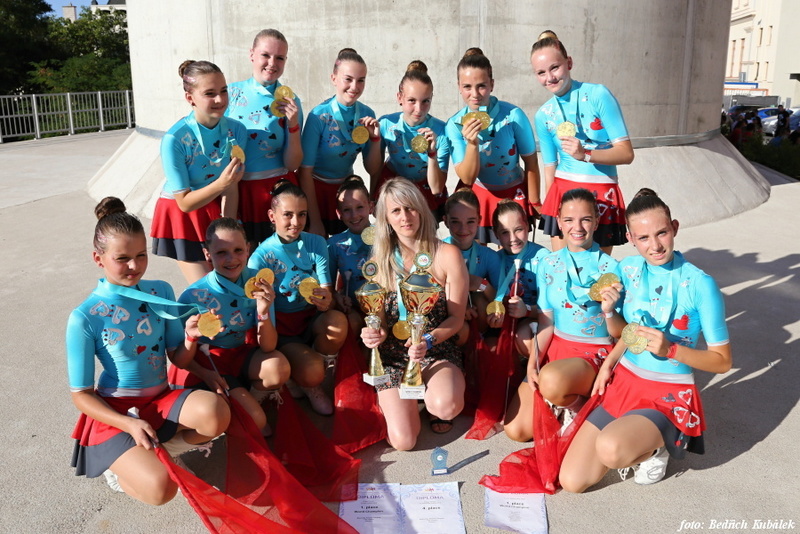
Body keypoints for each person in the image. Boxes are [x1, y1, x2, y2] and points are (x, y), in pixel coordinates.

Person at [559, 188, 732, 491]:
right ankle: (634, 437)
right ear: (630, 238)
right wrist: (609, 320)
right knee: (572, 481)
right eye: (643, 238)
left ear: (674, 227)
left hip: (668, 393)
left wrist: (672, 349)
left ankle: (657, 448)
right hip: (625, 383)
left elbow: (722, 362)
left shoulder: (701, 284)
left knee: (611, 449)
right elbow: (622, 332)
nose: (655, 246)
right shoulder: (627, 269)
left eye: (661, 233)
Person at [67, 197, 230, 503]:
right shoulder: (85, 317)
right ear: (98, 258)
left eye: (141, 255)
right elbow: (81, 395)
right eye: (122, 258)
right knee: (161, 490)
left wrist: (191, 339)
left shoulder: (160, 291)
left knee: (217, 413)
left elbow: (177, 358)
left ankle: (159, 452)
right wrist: (128, 423)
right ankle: (119, 471)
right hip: (115, 413)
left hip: (159, 399)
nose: (134, 266)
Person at [504, 189, 620, 443]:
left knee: (553, 381)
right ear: (558, 221)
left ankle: (577, 407)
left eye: (585, 219)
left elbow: (620, 332)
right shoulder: (549, 263)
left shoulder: (612, 269)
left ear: (597, 221)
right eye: (569, 220)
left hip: (592, 354)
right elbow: (546, 322)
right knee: (517, 431)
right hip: (556, 349)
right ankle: (562, 397)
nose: (577, 227)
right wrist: (533, 364)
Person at [360, 178, 468, 447]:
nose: (405, 217)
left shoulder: (447, 254)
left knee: (446, 407)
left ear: (421, 210)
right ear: (386, 218)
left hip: (436, 349)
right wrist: (373, 333)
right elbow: (379, 322)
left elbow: (456, 318)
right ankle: (404, 401)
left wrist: (428, 341)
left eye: (410, 208)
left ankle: (432, 395)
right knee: (404, 442)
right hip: (393, 357)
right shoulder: (378, 262)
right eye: (396, 211)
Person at [169, 217, 291, 436]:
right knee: (258, 423)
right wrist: (203, 367)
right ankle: (234, 407)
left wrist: (263, 310)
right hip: (209, 365)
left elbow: (268, 347)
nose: (231, 258)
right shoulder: (192, 296)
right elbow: (179, 359)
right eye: (221, 252)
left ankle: (248, 400)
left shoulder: (258, 283)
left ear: (248, 249)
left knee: (278, 367)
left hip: (240, 354)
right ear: (207, 254)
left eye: (237, 250)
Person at [248, 181, 348, 415]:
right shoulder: (259, 259)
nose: (296, 222)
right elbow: (260, 312)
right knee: (312, 371)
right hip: (283, 329)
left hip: (311, 319)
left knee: (338, 322)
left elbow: (326, 290)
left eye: (302, 214)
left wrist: (326, 300)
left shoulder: (316, 242)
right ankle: (308, 381)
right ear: (272, 216)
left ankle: (314, 375)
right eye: (288, 215)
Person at [531, 30, 634, 254]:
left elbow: (627, 154)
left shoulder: (598, 95)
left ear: (569, 63)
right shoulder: (543, 115)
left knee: (596, 269)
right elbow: (549, 166)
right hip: (562, 191)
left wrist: (586, 154)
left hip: (602, 193)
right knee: (561, 267)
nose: (549, 78)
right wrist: (550, 206)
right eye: (541, 72)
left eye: (554, 67)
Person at [151, 60, 247, 283]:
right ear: (190, 98)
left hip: (217, 204)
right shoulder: (174, 139)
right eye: (210, 93)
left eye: (223, 91)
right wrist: (222, 184)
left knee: (231, 281)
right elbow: (184, 202)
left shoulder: (237, 130)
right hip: (182, 213)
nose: (220, 100)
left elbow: (231, 186)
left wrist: (227, 231)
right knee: (207, 289)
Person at [445, 47, 541, 243]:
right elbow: (467, 177)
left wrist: (535, 201)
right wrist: (472, 144)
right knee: (476, 256)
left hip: (513, 191)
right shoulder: (454, 125)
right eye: (467, 87)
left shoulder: (513, 116)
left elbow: (531, 163)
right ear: (458, 86)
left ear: (492, 85)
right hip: (478, 194)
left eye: (481, 86)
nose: (475, 94)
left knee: (514, 254)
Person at [227, 29, 304, 246]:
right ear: (251, 54)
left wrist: (293, 124)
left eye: (280, 58)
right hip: (239, 191)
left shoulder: (292, 101)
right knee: (243, 256)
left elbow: (293, 164)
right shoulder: (230, 94)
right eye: (265, 55)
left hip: (279, 190)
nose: (272, 63)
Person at [300, 48, 379, 236]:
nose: (354, 87)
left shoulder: (367, 114)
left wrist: (375, 140)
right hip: (315, 192)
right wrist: (315, 220)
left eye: (361, 80)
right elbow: (304, 172)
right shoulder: (318, 116)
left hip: (347, 193)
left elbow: (373, 169)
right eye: (348, 79)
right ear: (334, 78)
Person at [367, 60, 450, 220]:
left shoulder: (441, 131)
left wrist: (432, 153)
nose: (419, 109)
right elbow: (375, 169)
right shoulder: (386, 124)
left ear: (431, 98)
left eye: (425, 101)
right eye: (412, 100)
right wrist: (372, 196)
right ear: (400, 97)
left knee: (424, 234)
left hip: (425, 187)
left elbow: (436, 188)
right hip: (392, 183)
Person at [486, 199, 548, 357]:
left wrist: (527, 311)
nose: (513, 238)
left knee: (524, 338)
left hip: (534, 317)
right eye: (505, 232)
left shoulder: (544, 258)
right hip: (506, 320)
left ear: (528, 226)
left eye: (518, 229)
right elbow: (491, 296)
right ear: (496, 234)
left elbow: (553, 308)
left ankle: (532, 366)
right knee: (490, 348)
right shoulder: (494, 259)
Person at [442, 188, 501, 336]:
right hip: (445, 317)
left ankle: (481, 342)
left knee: (480, 300)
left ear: (479, 221)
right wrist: (458, 308)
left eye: (470, 222)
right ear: (446, 221)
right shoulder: (436, 252)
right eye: (455, 222)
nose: (463, 229)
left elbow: (500, 299)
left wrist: (482, 284)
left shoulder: (489, 256)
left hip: (477, 319)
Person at [327, 175, 374, 334]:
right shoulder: (334, 244)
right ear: (339, 213)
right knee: (350, 324)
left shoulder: (387, 237)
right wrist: (338, 298)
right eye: (347, 210)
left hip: (386, 308)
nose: (354, 215)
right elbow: (329, 287)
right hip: (353, 309)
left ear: (371, 207)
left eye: (359, 207)